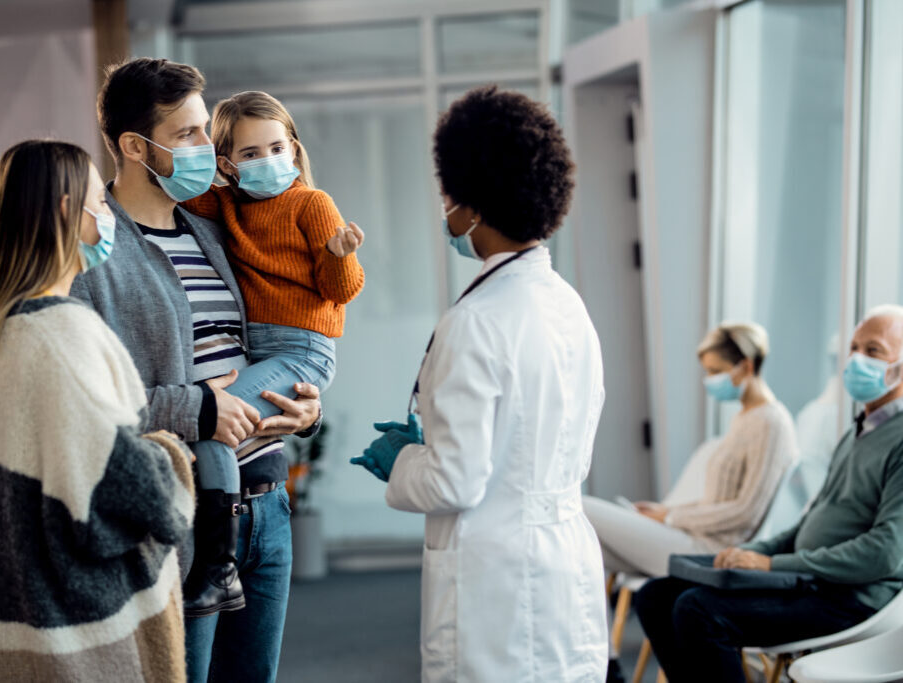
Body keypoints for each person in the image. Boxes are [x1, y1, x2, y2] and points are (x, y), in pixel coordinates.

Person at [70, 58, 321, 683]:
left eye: (205, 131)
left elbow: (264, 345)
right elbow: (82, 406)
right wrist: (195, 409)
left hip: (266, 505)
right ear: (134, 146)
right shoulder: (92, 253)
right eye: (187, 135)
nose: (209, 148)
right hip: (176, 523)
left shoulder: (214, 231)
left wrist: (304, 410)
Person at [351, 85, 609, 681]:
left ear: (472, 204)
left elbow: (454, 482)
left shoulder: (476, 320)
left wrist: (403, 460)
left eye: (448, 196)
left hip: (497, 581)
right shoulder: (568, 304)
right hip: (566, 558)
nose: (446, 210)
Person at [0, 140, 195, 682]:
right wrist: (172, 455)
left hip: (18, 644)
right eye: (99, 204)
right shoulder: (64, 334)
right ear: (66, 212)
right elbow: (138, 493)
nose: (107, 215)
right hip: (92, 647)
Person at [635, 306, 903, 682]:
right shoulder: (857, 432)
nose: (857, 359)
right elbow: (810, 521)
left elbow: (885, 553)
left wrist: (774, 566)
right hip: (807, 580)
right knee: (655, 596)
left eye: (873, 350)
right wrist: (755, 554)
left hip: (849, 599)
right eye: (854, 348)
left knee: (698, 610)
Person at [179, 89, 364, 608]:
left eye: (278, 148)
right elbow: (173, 192)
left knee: (214, 424)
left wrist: (339, 254)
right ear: (227, 164)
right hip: (259, 349)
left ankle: (217, 564)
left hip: (304, 348)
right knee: (214, 422)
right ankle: (222, 557)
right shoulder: (226, 205)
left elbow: (341, 290)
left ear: (295, 148)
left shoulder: (312, 203)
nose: (269, 161)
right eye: (251, 154)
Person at [585, 322, 798, 579]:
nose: (709, 380)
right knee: (589, 543)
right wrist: (663, 513)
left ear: (747, 366)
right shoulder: (745, 417)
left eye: (716, 371)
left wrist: (670, 518)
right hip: (690, 535)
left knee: (581, 508)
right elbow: (718, 501)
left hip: (709, 549)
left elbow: (745, 513)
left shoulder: (771, 423)